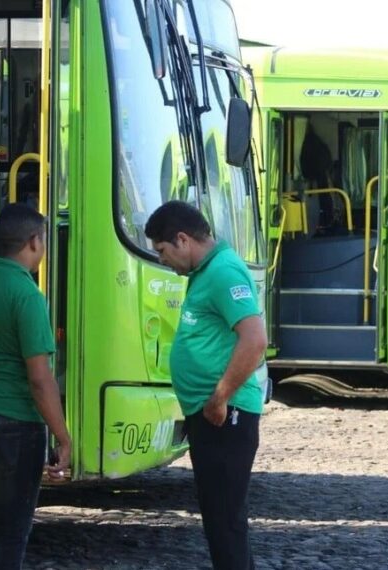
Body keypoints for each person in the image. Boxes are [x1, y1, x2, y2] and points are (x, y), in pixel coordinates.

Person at [145, 201, 267, 570]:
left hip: (224, 414)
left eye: (163, 251)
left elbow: (254, 339)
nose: (163, 260)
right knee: (220, 517)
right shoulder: (206, 272)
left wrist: (221, 396)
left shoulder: (224, 272)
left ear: (182, 240)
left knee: (224, 519)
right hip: (211, 413)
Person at [0, 203, 71, 570]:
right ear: (34, 242)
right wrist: (63, 436)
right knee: (11, 533)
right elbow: (39, 378)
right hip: (13, 423)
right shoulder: (27, 295)